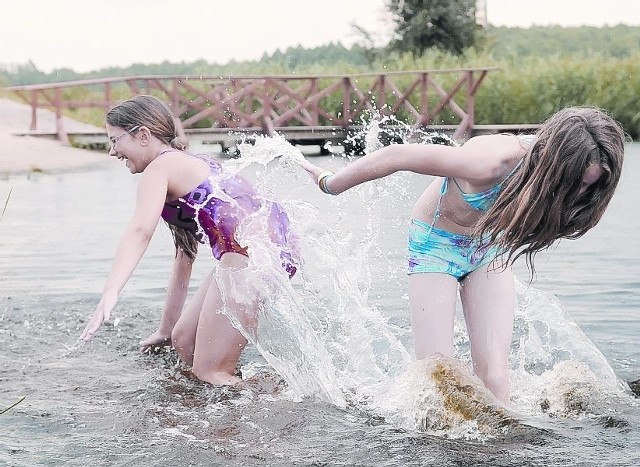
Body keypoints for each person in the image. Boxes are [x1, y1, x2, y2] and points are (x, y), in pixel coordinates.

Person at [298, 107, 625, 405]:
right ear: (558, 163)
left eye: (591, 187)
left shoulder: (572, 165)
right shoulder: (491, 161)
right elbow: (397, 155)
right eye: (578, 183)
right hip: (434, 247)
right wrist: (330, 184)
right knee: (439, 378)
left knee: (495, 379)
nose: (581, 194)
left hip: (486, 249)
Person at [80, 95, 299, 385]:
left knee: (210, 372)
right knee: (184, 341)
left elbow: (139, 232)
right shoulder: (184, 165)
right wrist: (165, 330)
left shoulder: (160, 169)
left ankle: (281, 407)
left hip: (253, 253)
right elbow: (185, 257)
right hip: (262, 249)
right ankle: (235, 400)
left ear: (143, 135)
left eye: (115, 140)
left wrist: (111, 291)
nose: (112, 151)